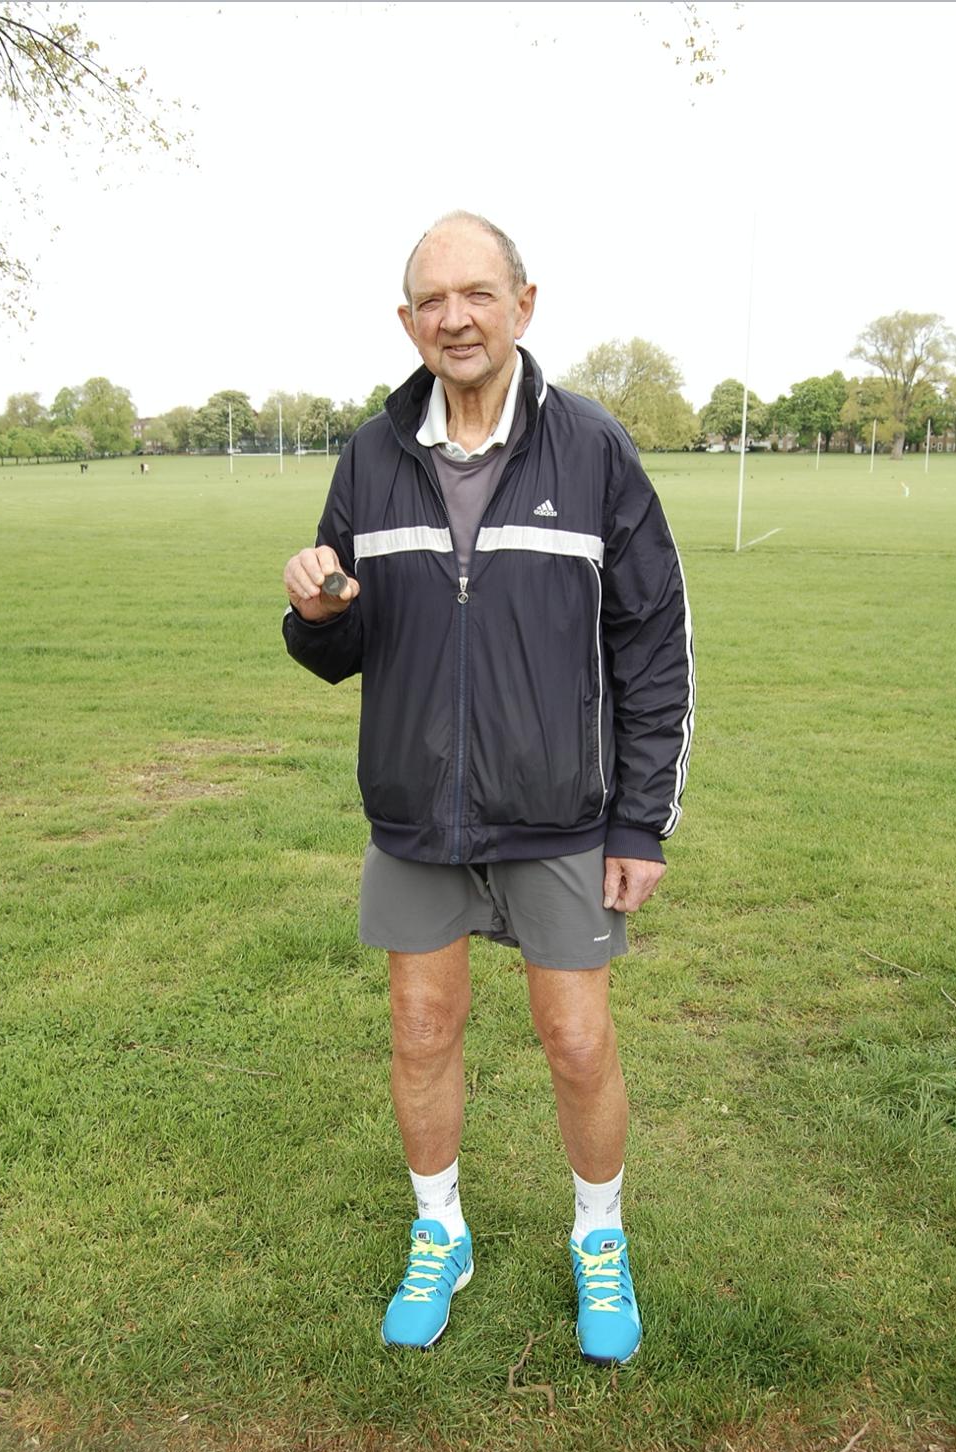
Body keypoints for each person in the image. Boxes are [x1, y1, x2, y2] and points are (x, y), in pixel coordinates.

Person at [281, 211, 694, 1365]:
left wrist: (640, 822)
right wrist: (314, 611)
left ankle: (598, 1241)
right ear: (406, 320)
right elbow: (337, 644)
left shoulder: (596, 449)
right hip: (417, 813)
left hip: (560, 814)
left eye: (476, 293)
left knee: (576, 1042)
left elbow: (653, 646)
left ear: (524, 302)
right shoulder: (372, 454)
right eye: (431, 300)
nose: (454, 317)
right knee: (421, 1029)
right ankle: (440, 1233)